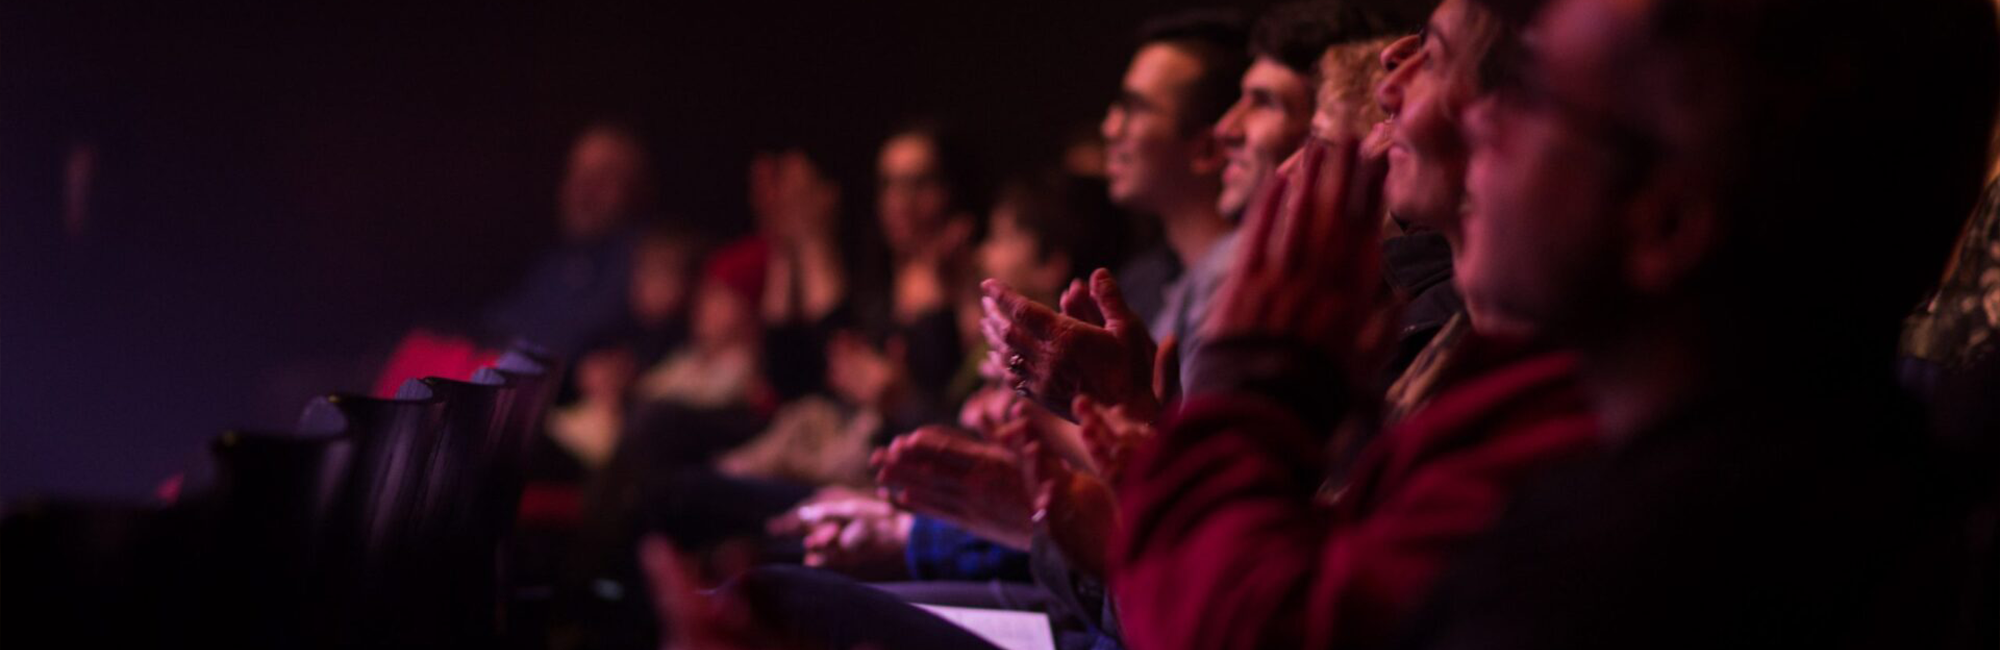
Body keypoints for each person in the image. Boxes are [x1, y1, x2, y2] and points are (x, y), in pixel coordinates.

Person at [1396, 0, 2000, 647]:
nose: (1480, 117)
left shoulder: (1586, 596)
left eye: (1534, 92)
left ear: (1668, 223)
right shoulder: (1897, 506)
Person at [484, 123, 658, 355]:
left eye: (604, 176)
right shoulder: (555, 260)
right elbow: (501, 323)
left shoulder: (645, 261)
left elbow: (575, 338)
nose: (584, 188)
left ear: (637, 188)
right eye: (576, 172)